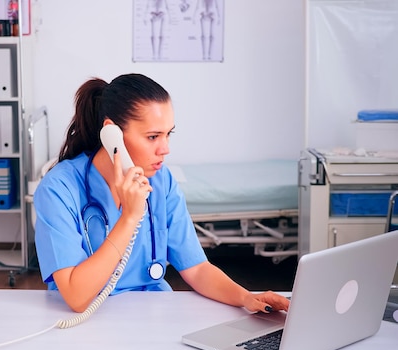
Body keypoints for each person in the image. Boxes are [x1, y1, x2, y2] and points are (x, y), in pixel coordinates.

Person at [33, 73, 291, 314]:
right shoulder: (59, 189)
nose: (165, 149)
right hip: (88, 323)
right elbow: (77, 298)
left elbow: (197, 269)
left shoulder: (161, 181)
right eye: (153, 136)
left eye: (168, 134)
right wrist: (129, 218)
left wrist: (246, 298)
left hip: (153, 315)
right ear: (112, 132)